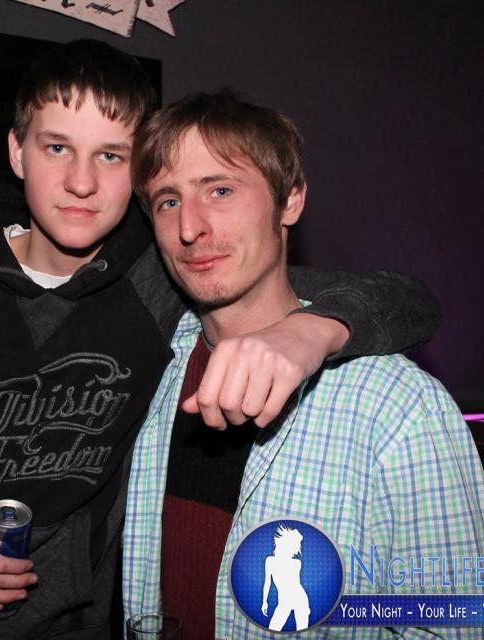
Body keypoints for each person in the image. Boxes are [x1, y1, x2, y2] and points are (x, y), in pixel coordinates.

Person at [0, 41, 440, 640]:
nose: (80, 182)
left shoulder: (163, 272)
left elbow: (402, 298)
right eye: (57, 147)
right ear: (17, 152)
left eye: (110, 155)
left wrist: (311, 330)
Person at [122, 90, 484, 639]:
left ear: (290, 201)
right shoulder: (149, 367)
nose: (190, 228)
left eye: (220, 190)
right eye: (168, 201)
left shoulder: (399, 408)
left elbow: (450, 620)